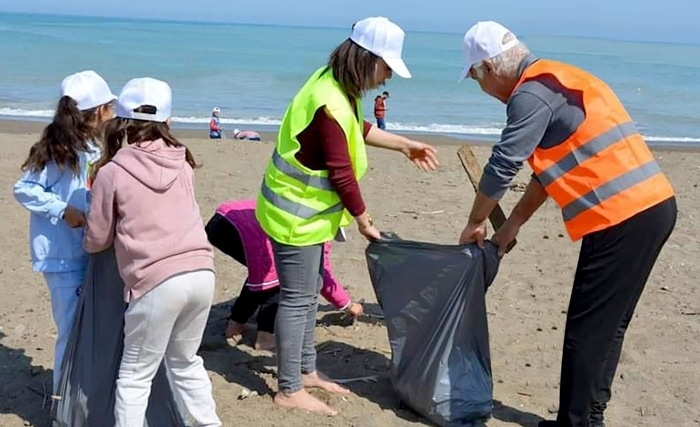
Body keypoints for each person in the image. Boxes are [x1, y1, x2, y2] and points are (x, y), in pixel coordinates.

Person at [456, 21, 677, 427]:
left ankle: (577, 423)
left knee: (586, 331)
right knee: (608, 326)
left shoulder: (529, 96)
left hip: (621, 217)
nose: (478, 87)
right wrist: (512, 226)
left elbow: (503, 165)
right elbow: (547, 172)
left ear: (488, 67)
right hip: (652, 206)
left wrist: (475, 221)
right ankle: (589, 417)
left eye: (473, 76)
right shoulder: (560, 77)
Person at [255, 16, 439, 416]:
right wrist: (364, 219)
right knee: (298, 300)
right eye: (387, 67)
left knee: (307, 293)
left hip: (309, 216)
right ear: (367, 58)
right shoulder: (330, 101)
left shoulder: (336, 85)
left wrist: (403, 144)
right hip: (294, 215)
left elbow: (358, 128)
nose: (387, 76)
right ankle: (289, 388)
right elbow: (340, 171)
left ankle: (304, 372)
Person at [84, 77, 221, 427]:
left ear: (122, 123)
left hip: (156, 281)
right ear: (168, 122)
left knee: (134, 374)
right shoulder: (184, 164)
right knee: (186, 361)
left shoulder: (112, 172)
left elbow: (97, 238)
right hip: (201, 271)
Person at [13, 70, 116, 393]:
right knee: (71, 330)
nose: (113, 114)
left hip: (84, 250)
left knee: (86, 327)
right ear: (98, 111)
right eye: (110, 108)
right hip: (61, 256)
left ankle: (82, 392)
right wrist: (62, 210)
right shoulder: (59, 150)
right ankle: (64, 403)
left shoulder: (88, 146)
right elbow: (24, 189)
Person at [204, 199, 364, 351]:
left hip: (224, 219)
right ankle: (265, 337)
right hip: (244, 228)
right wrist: (348, 304)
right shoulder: (316, 231)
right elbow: (322, 273)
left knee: (262, 276)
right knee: (279, 279)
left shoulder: (306, 210)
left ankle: (236, 324)